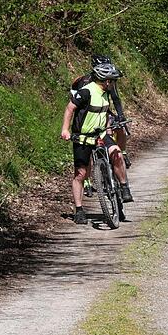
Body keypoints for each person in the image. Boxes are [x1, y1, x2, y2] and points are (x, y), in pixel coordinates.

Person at [61, 63, 132, 224]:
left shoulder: (106, 93)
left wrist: (109, 128)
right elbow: (69, 109)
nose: (114, 84)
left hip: (100, 134)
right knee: (80, 174)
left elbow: (104, 113)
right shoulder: (86, 91)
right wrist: (65, 130)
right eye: (112, 81)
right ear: (106, 81)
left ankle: (123, 186)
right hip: (83, 137)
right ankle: (79, 210)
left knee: (117, 153)